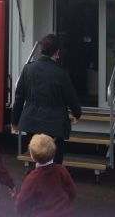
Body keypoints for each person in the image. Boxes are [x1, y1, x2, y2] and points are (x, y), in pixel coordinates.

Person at [11, 33, 81, 164]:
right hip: (55, 124)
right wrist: (77, 114)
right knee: (55, 161)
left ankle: (38, 181)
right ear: (57, 52)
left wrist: (15, 120)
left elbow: (19, 97)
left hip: (31, 122)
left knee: (38, 159)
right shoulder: (61, 73)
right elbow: (71, 97)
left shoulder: (28, 69)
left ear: (41, 50)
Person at [15, 134, 77, 217]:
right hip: (64, 212)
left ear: (32, 156)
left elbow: (22, 202)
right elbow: (72, 191)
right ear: (54, 152)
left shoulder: (32, 178)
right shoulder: (61, 170)